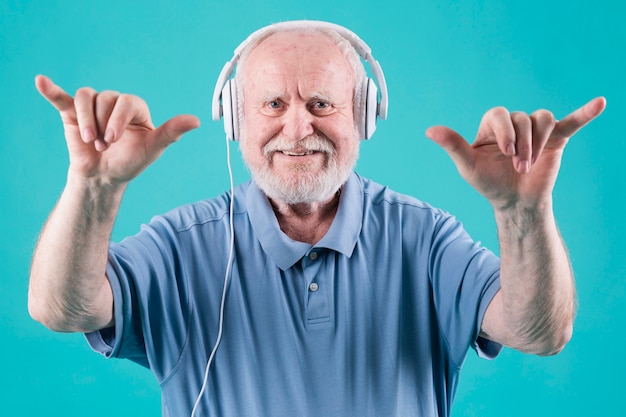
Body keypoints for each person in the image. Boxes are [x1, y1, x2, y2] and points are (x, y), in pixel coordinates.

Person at [28, 20, 606, 417]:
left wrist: (522, 212)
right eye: (273, 104)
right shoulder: (181, 247)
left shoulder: (426, 240)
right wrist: (94, 188)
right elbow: (63, 308)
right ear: (235, 119)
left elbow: (540, 331)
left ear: (366, 116)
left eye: (322, 104)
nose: (298, 128)